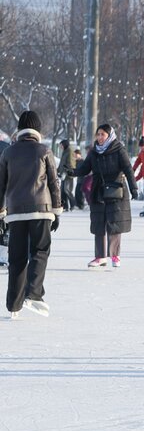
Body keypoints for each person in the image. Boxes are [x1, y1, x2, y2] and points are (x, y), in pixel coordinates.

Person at [0, 110, 62, 318]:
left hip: (16, 213)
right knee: (40, 251)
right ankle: (34, 293)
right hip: (41, 211)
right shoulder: (44, 150)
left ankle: (13, 306)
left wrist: (1, 213)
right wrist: (57, 211)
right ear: (37, 130)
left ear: (20, 129)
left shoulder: (8, 153)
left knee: (16, 259)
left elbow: (1, 186)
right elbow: (54, 183)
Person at [74, 124, 139, 268]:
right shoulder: (94, 152)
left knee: (114, 223)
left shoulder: (118, 150)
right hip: (98, 190)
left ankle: (115, 255)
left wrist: (134, 188)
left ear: (109, 135)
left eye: (103, 134)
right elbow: (85, 168)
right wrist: (73, 171)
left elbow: (128, 169)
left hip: (116, 190)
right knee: (99, 223)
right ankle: (100, 257)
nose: (100, 137)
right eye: (98, 134)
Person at [58, 139, 77, 211]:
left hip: (68, 175)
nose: (61, 147)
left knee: (67, 190)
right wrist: (57, 170)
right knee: (62, 191)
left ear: (65, 144)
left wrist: (67, 172)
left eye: (61, 145)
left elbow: (70, 164)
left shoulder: (70, 152)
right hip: (63, 174)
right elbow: (62, 163)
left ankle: (73, 204)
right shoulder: (65, 152)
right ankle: (65, 206)